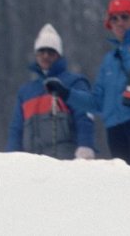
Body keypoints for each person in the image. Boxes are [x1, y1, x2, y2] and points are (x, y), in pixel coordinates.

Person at [46, 0, 130, 167]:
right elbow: (97, 102)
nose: (119, 23)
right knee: (122, 184)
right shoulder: (109, 60)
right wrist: (66, 93)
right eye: (114, 18)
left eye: (124, 17)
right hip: (114, 128)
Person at [6, 24, 96, 160]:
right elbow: (16, 129)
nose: (45, 56)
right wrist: (11, 156)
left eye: (51, 52)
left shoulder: (73, 83)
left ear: (58, 55)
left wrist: (86, 145)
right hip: (32, 164)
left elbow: (84, 116)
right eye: (41, 52)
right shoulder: (26, 92)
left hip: (65, 161)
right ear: (36, 55)